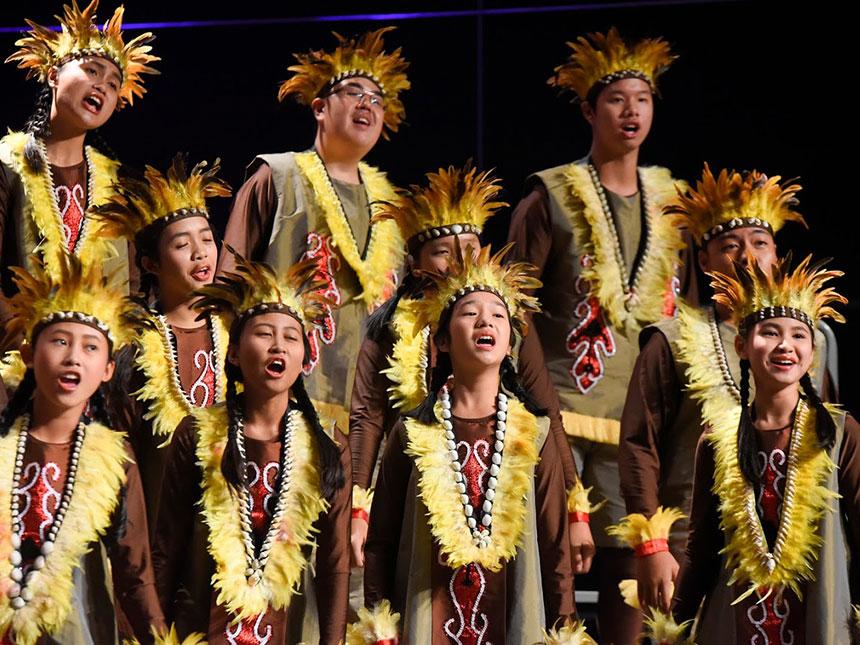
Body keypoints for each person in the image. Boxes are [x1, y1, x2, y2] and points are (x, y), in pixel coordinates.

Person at [507, 27, 684, 642]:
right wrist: (538, 408)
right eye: (616, 99)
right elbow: (513, 306)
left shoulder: (673, 205)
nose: (631, 110)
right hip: (557, 411)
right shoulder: (549, 193)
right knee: (554, 567)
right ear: (589, 109)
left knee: (628, 573)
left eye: (643, 98)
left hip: (635, 425)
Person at [613, 165, 835, 614]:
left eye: (760, 243)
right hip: (693, 541)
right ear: (703, 260)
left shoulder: (815, 339)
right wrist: (653, 545)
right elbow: (639, 444)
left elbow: (827, 443)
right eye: (729, 246)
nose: (746, 256)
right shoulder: (669, 338)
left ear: (776, 252)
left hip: (791, 535)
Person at [349, 164, 588, 573]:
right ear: (414, 261)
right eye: (443, 251)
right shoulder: (388, 327)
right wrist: (357, 508)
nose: (460, 260)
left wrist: (575, 511)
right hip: (414, 486)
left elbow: (546, 411)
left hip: (498, 488)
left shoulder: (506, 322)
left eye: (471, 247)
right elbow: (368, 419)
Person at [363, 245, 578, 643]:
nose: (486, 321)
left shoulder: (536, 432)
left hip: (513, 618)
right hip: (427, 623)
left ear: (510, 341)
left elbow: (554, 546)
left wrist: (564, 628)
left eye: (498, 315)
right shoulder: (411, 432)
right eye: (469, 312)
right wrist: (380, 624)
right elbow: (381, 542)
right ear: (442, 341)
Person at [153, 252, 351, 644]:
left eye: (291, 337)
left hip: (286, 630)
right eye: (263, 334)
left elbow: (334, 565)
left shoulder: (326, 447)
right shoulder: (196, 433)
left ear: (304, 358)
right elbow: (166, 547)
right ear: (233, 353)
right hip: (200, 628)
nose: (278, 345)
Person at [219, 27, 410, 432]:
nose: (368, 104)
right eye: (354, 92)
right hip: (283, 398)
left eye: (377, 99)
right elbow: (227, 285)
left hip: (368, 411)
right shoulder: (277, 175)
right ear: (321, 107)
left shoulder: (392, 207)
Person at [672, 256, 859, 643]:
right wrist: (675, 626)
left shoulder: (840, 433)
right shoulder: (717, 439)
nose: (785, 346)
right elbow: (701, 548)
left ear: (812, 351)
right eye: (770, 333)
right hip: (734, 622)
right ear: (742, 345)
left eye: (798, 335)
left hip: (818, 621)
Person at [0, 254, 164, 643]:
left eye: (91, 347)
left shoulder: (116, 460)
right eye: (59, 341)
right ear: (28, 354)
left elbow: (135, 575)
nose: (73, 357)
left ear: (108, 368)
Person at [89, 154, 231, 530]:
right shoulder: (134, 347)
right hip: (160, 523)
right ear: (151, 263)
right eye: (182, 245)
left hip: (232, 520)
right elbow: (121, 446)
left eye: (206, 239)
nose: (201, 252)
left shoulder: (239, 333)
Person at [0, 0, 159, 308]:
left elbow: (133, 291)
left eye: (113, 84)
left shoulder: (120, 188)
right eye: (91, 70)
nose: (102, 86)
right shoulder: (6, 163)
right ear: (53, 75)